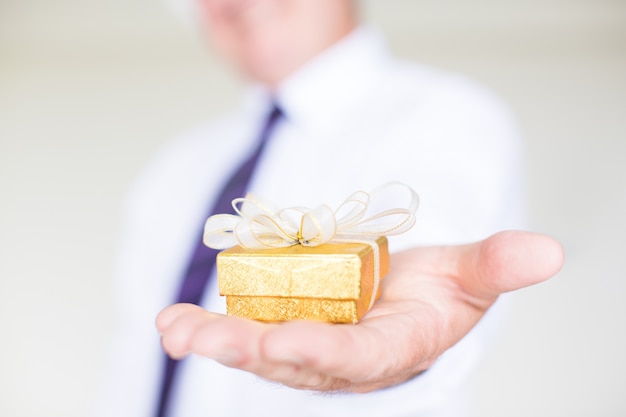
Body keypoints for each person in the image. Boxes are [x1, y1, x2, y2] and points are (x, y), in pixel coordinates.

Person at [98, 1, 564, 416]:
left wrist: (400, 364)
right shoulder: (175, 167)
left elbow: (425, 275)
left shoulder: (448, 116)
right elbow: (133, 359)